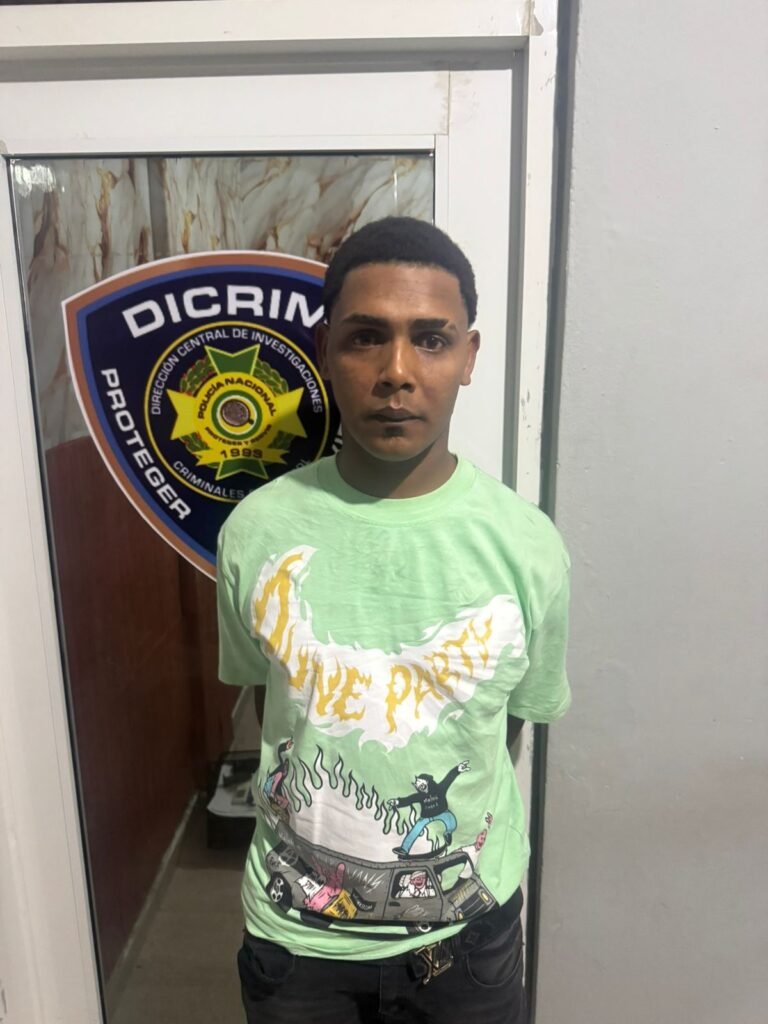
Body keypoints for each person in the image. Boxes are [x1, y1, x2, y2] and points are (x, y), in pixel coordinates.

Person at [217, 216, 571, 1024]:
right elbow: (271, 704)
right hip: (295, 945)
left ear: (470, 357)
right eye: (366, 337)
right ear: (326, 348)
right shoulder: (257, 533)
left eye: (431, 339)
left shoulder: (527, 547)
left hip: (465, 942)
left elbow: (507, 725)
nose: (397, 373)